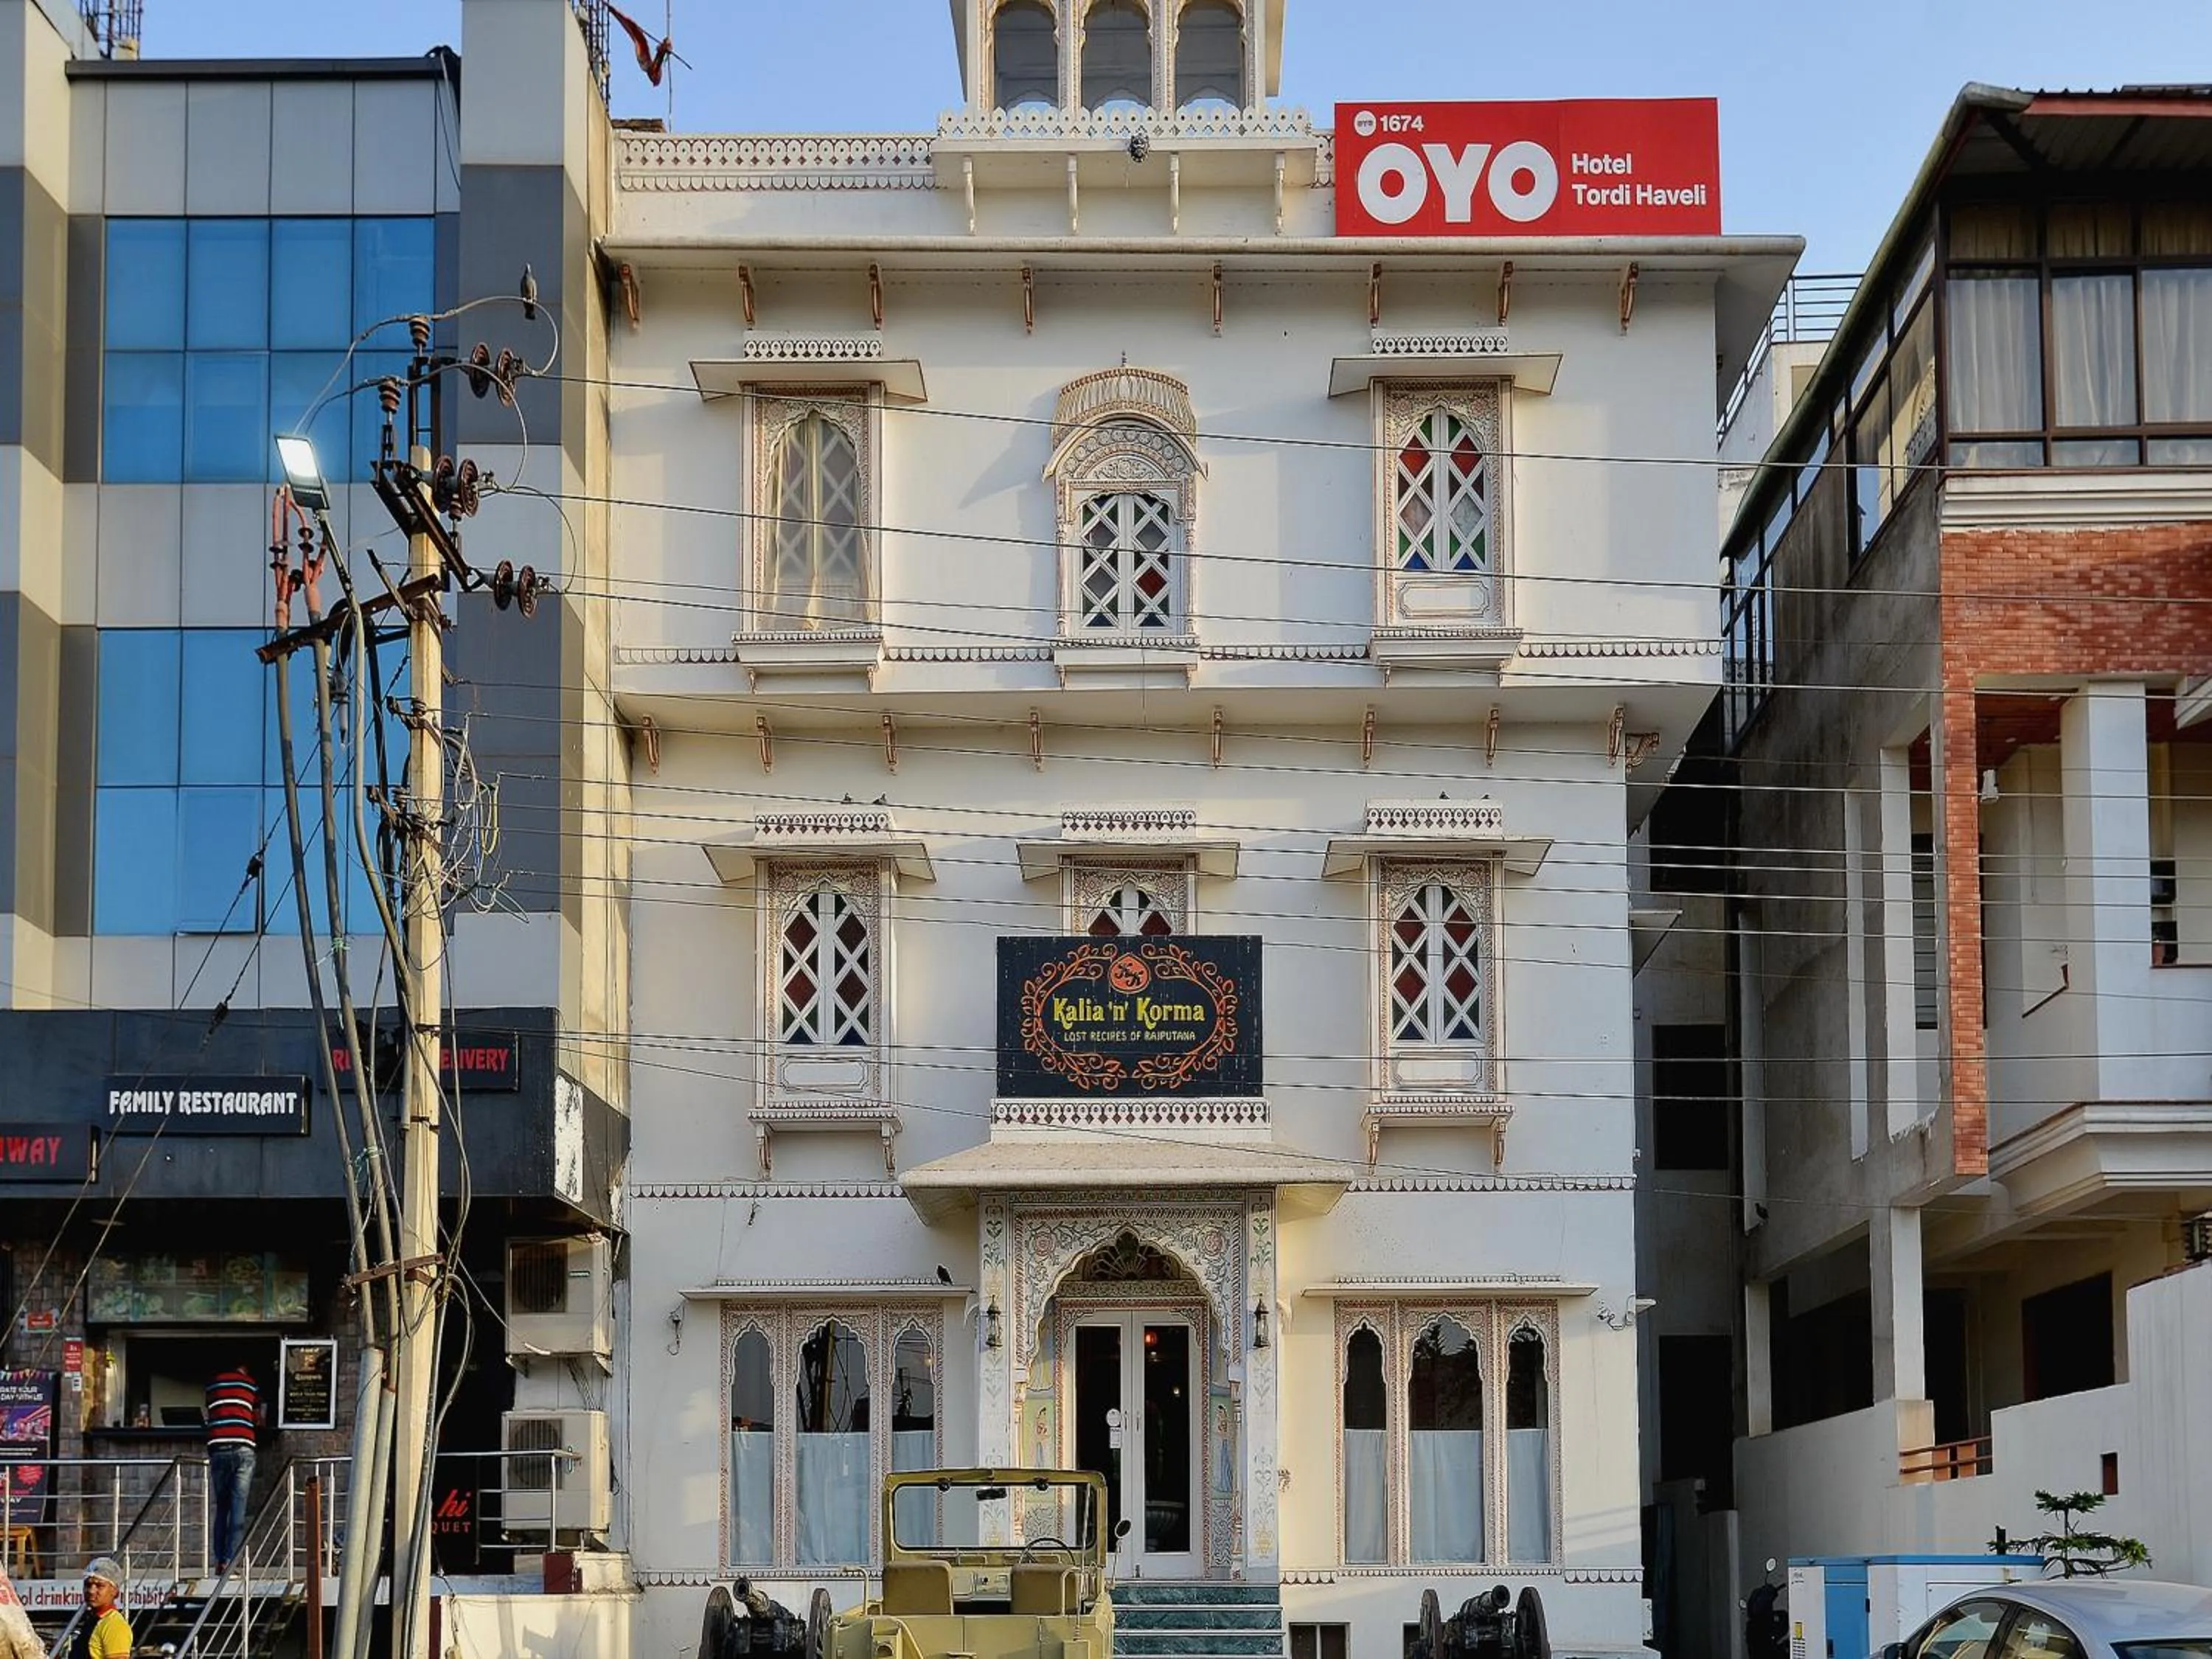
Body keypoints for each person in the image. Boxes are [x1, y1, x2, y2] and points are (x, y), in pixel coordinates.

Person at [205, 1359, 261, 1572]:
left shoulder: (213, 1384)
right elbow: (257, 1418)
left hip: (218, 1447)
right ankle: (230, 1562)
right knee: (238, 1509)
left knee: (222, 1508)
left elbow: (211, 1412)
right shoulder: (250, 1384)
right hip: (243, 1447)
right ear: (245, 1369)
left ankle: (219, 1560)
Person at [73, 1558, 131, 1659]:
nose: (91, 1591)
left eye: (99, 1586)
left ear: (115, 1592)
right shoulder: (93, 1621)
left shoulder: (114, 1625)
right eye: (88, 1585)